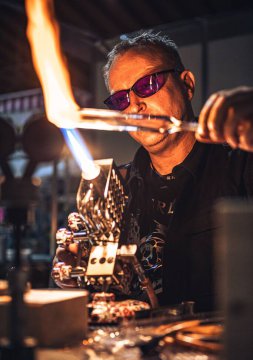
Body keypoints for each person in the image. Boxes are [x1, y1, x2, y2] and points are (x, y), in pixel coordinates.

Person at [52, 31, 253, 312]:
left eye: (147, 84)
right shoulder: (114, 187)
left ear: (187, 85)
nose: (135, 105)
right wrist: (73, 277)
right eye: (121, 99)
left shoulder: (239, 166)